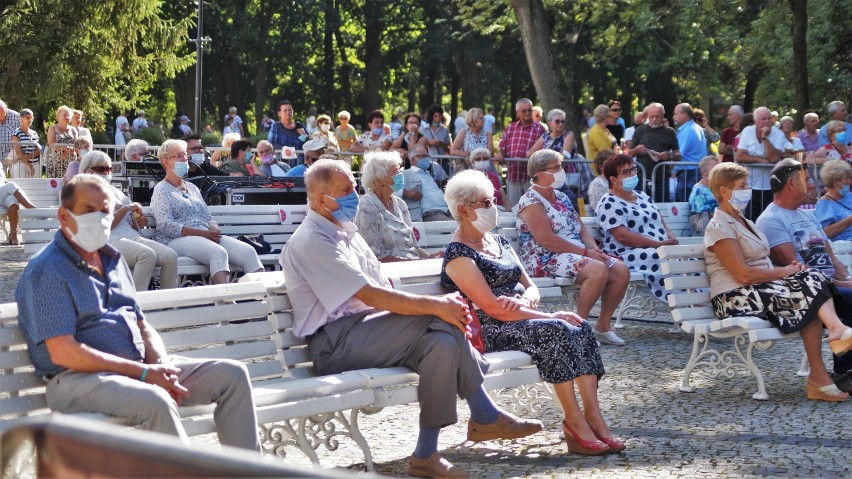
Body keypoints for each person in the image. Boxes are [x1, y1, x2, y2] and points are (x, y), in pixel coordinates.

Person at [280, 159, 542, 478]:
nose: (355, 194)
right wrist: (436, 306)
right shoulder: (312, 240)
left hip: (374, 331)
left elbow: (379, 289)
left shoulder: (345, 231)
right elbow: (370, 296)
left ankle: (425, 455)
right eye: (347, 190)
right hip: (335, 343)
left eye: (354, 186)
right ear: (322, 199)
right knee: (442, 317)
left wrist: (438, 309)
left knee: (441, 342)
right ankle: (484, 414)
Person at [15, 175, 260, 448]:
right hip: (77, 378)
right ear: (64, 216)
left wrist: (159, 364)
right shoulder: (48, 270)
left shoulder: (112, 259)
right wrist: (143, 374)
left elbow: (141, 324)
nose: (99, 218)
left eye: (105, 211)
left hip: (137, 368)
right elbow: (64, 352)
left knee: (233, 375)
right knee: (156, 400)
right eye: (88, 210)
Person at [441, 170, 624, 456]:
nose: (494, 207)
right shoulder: (459, 254)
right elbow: (490, 308)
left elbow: (531, 287)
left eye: (493, 200)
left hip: (522, 317)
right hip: (489, 328)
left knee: (580, 326)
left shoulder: (498, 243)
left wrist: (527, 299)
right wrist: (549, 316)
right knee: (558, 328)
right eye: (486, 202)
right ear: (463, 209)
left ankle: (593, 417)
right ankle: (574, 422)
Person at [707, 162, 852, 400]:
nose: (749, 190)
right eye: (743, 186)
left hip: (758, 289)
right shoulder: (719, 226)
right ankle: (827, 358)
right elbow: (743, 274)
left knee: (811, 282)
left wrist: (789, 272)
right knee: (808, 284)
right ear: (724, 191)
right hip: (733, 297)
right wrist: (784, 272)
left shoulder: (745, 222)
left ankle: (822, 370)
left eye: (747, 185)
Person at [515, 151, 630, 345]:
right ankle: (579, 328)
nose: (562, 171)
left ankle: (602, 326)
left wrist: (595, 249)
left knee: (620, 269)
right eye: (556, 167)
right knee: (597, 269)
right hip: (546, 258)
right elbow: (547, 240)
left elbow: (582, 229)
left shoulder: (561, 196)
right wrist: (587, 253)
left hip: (575, 253)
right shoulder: (530, 201)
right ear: (540, 173)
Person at [757, 159, 852, 392]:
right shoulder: (771, 220)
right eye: (807, 179)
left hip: (829, 285)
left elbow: (832, 257)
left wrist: (846, 278)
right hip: (805, 292)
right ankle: (845, 372)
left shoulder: (808, 216)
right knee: (850, 299)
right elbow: (797, 270)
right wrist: (843, 284)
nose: (812, 185)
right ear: (792, 183)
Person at [150, 140, 264, 285]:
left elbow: (207, 216)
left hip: (205, 235)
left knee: (248, 252)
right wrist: (203, 234)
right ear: (165, 162)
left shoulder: (192, 188)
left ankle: (263, 297)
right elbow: (166, 226)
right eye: (179, 156)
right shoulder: (161, 190)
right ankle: (225, 301)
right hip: (174, 241)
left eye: (185, 154)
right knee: (218, 252)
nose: (185, 159)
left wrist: (213, 227)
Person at [80, 151, 179, 290]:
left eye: (109, 169)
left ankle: (168, 304)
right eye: (102, 169)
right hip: (105, 241)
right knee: (147, 255)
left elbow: (132, 222)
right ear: (88, 171)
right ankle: (138, 305)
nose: (107, 173)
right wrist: (126, 209)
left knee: (170, 255)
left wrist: (139, 220)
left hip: (130, 237)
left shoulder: (115, 191)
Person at [596, 154, 679, 302]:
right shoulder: (609, 202)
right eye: (626, 172)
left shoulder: (643, 196)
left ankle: (696, 298)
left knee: (687, 257)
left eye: (633, 169)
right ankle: (680, 301)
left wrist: (671, 238)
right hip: (627, 252)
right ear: (613, 179)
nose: (633, 174)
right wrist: (658, 245)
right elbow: (623, 237)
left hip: (658, 247)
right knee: (661, 258)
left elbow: (660, 221)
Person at [354, 151, 442, 262]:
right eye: (396, 172)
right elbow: (373, 255)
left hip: (412, 265)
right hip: (389, 272)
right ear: (380, 179)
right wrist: (412, 263)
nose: (401, 175)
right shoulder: (366, 207)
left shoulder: (400, 204)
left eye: (400, 170)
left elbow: (413, 246)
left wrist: (430, 258)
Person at [735, 106, 791, 221]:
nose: (767, 121)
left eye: (769, 118)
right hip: (750, 185)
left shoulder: (778, 134)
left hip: (771, 186)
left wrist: (765, 137)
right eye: (763, 119)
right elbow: (740, 156)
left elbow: (774, 158)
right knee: (750, 219)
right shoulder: (747, 131)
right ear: (755, 121)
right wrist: (763, 160)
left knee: (769, 220)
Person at [626, 103, 680, 202]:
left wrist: (669, 155)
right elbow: (629, 154)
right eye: (652, 116)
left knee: (662, 207)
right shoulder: (640, 130)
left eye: (657, 117)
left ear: (663, 116)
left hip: (662, 179)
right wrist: (636, 150)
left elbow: (678, 155)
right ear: (647, 116)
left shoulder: (669, 132)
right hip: (642, 178)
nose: (654, 119)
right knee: (641, 207)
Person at [497, 99, 547, 206]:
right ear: (517, 113)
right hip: (514, 175)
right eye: (524, 111)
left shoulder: (540, 129)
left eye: (529, 110)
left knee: (534, 206)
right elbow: (502, 146)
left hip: (533, 176)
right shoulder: (510, 128)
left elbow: (546, 150)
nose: (528, 113)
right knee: (515, 207)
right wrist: (501, 153)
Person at [401, 146, 453, 222]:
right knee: (454, 226)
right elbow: (391, 189)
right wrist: (406, 193)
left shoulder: (427, 173)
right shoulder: (406, 174)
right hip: (431, 213)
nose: (427, 159)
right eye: (423, 156)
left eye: (427, 156)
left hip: (446, 210)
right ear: (412, 159)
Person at [672, 103, 707, 202]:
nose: (674, 117)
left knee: (684, 208)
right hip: (694, 173)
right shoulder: (696, 127)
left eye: (676, 114)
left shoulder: (688, 131)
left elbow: (678, 154)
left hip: (688, 175)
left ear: (685, 115)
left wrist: (663, 156)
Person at [815, 160, 852, 241]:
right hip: (845, 246)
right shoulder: (824, 203)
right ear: (835, 182)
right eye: (846, 179)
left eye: (850, 178)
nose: (850, 181)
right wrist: (849, 220)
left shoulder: (849, 195)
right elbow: (825, 233)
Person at [0, 167, 36, 245]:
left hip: (2, 195)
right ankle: (32, 209)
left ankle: (13, 234)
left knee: (13, 200)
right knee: (11, 185)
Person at [268, 100, 307, 164]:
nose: (288, 112)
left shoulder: (300, 126)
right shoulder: (276, 126)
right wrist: (284, 149)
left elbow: (307, 143)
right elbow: (270, 143)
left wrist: (303, 135)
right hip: (281, 164)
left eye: (290, 110)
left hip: (298, 163)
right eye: (285, 110)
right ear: (279, 113)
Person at [688, 155, 719, 235]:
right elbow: (703, 218)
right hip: (706, 232)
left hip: (718, 228)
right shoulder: (699, 191)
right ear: (705, 172)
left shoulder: (716, 188)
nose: (719, 172)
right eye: (715, 168)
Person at [46, 105, 78, 179]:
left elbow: (76, 145)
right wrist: (66, 148)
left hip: (70, 162)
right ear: (58, 117)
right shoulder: (52, 128)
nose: (67, 117)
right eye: (64, 115)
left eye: (68, 115)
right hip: (55, 162)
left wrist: (65, 152)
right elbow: (52, 144)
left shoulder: (73, 130)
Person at [587, 104, 620, 171]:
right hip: (599, 171)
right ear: (605, 117)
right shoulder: (596, 132)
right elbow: (605, 153)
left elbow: (615, 144)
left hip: (608, 167)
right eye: (610, 116)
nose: (611, 117)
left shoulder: (605, 130)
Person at [9, 108, 41, 179]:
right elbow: (19, 152)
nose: (30, 120)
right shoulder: (16, 133)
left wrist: (28, 157)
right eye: (27, 117)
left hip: (35, 164)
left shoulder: (34, 133)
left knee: (35, 188)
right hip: (20, 165)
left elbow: (38, 149)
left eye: (31, 118)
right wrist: (28, 164)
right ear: (21, 119)